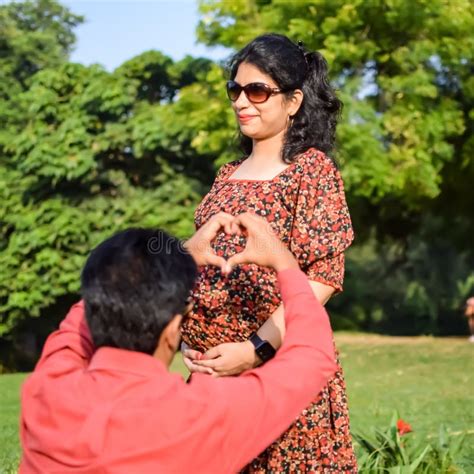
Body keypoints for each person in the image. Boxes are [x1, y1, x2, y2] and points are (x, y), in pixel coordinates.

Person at [19, 212, 339, 473]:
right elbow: (312, 356)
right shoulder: (203, 415)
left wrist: (178, 264)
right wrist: (286, 263)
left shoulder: (47, 389)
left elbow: (80, 319)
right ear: (174, 329)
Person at [181, 33, 357, 472]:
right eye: (235, 90)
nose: (243, 101)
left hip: (279, 370)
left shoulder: (312, 171)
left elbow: (321, 279)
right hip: (212, 377)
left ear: (294, 101)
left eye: (257, 90)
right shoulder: (225, 175)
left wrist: (255, 348)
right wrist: (184, 334)